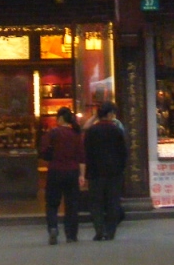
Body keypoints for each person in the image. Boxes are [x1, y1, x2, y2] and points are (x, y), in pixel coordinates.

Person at [83, 102, 126, 241]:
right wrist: (121, 168)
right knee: (113, 202)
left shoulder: (92, 131)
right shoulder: (117, 130)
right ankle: (110, 231)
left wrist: (87, 172)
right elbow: (123, 152)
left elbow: (86, 152)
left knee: (96, 203)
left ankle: (99, 229)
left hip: (95, 172)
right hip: (114, 172)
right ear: (109, 114)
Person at [40, 107, 84, 244]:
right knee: (72, 204)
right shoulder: (76, 134)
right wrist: (82, 175)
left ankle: (53, 227)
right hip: (72, 171)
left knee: (52, 203)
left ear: (59, 118)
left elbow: (43, 151)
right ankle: (71, 234)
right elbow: (82, 156)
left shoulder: (53, 133)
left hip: (55, 170)